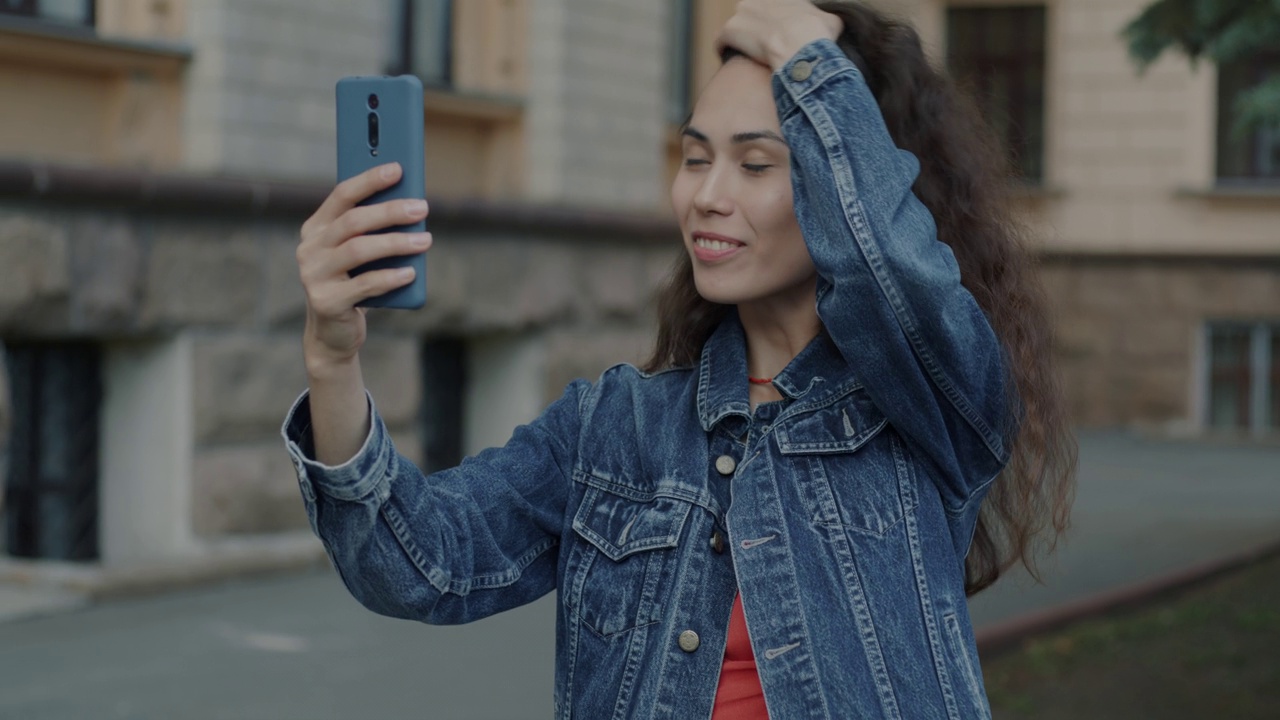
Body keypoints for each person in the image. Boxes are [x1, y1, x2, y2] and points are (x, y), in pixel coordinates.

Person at [284, 1, 1076, 717]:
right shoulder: (615, 428)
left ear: (848, 180)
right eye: (697, 157)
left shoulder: (930, 410)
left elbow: (893, 272)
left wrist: (809, 56)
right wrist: (330, 357)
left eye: (757, 164)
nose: (707, 195)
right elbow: (419, 562)